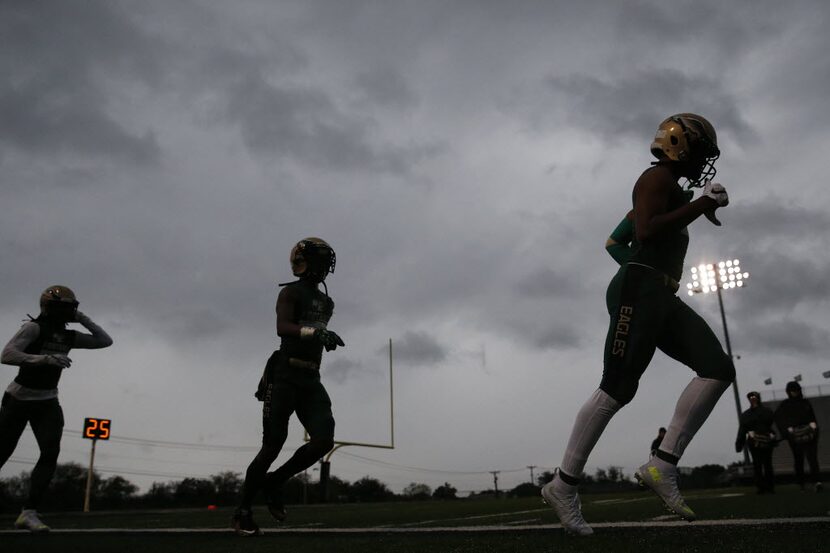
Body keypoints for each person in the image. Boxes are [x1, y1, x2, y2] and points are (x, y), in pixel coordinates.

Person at [541, 113, 733, 536]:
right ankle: (563, 484)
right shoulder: (655, 180)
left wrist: (696, 208)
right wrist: (701, 206)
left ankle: (662, 464)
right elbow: (642, 231)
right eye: (700, 150)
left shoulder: (673, 189)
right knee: (618, 387)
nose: (703, 160)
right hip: (641, 291)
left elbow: (648, 232)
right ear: (681, 145)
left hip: (661, 294)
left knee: (718, 368)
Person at [232, 238, 345, 536]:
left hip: (311, 378)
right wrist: (316, 334)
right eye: (318, 261)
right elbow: (283, 327)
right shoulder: (291, 292)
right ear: (303, 261)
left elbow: (313, 335)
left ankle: (274, 482)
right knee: (273, 445)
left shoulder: (327, 302)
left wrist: (323, 338)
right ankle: (242, 509)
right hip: (285, 374)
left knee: (323, 441)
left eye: (325, 262)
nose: (322, 268)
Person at [0, 286, 113, 532]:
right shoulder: (34, 328)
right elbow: (6, 355)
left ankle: (29, 512)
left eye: (71, 309)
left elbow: (105, 341)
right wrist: (44, 359)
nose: (68, 313)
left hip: (47, 400)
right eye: (65, 308)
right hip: (19, 397)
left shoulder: (68, 336)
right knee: (3, 451)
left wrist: (82, 318)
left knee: (50, 453)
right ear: (49, 307)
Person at [774, 381, 822, 492]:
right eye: (792, 391)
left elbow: (812, 417)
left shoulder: (805, 402)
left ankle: (817, 481)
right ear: (788, 392)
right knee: (798, 459)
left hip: (809, 433)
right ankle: (801, 483)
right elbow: (778, 418)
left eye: (796, 390)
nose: (794, 392)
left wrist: (814, 426)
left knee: (812, 458)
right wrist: (787, 430)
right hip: (794, 435)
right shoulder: (785, 404)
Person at [735, 391, 777, 494]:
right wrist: (739, 444)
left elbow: (771, 424)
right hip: (753, 442)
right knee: (757, 465)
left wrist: (772, 434)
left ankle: (770, 487)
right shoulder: (746, 414)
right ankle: (760, 487)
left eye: (754, 396)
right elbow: (742, 429)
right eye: (751, 397)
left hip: (766, 440)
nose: (753, 398)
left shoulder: (767, 411)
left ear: (758, 398)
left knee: (768, 464)